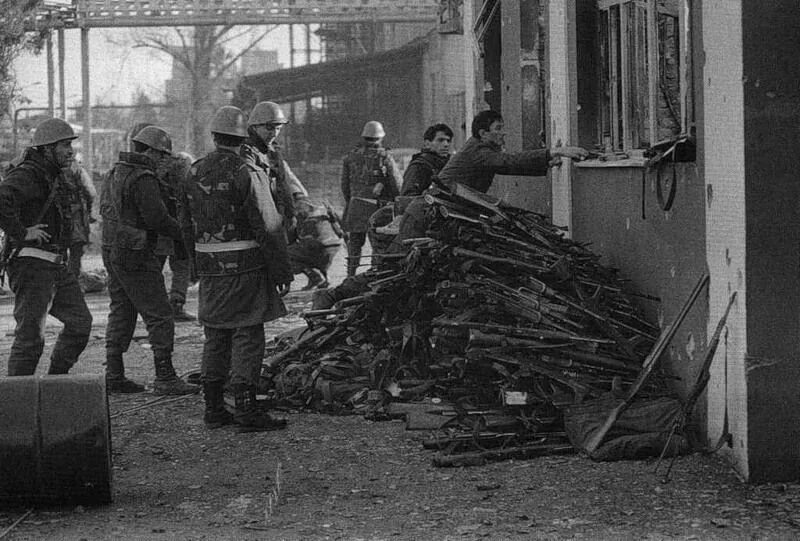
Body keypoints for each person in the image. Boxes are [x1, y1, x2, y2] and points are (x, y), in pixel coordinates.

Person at [185, 106, 292, 432]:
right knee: (248, 334)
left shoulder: (193, 171)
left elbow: (184, 224)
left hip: (210, 269)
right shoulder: (247, 170)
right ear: (243, 134)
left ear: (215, 136)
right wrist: (282, 271)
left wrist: (194, 267)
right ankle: (247, 410)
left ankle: (214, 409)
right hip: (245, 267)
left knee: (216, 334)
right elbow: (268, 225)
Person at [100, 125, 198, 395]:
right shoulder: (144, 178)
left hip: (114, 251)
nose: (165, 160)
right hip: (138, 254)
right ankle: (165, 377)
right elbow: (157, 219)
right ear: (151, 151)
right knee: (160, 314)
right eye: (163, 155)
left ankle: (114, 374)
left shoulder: (114, 172)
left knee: (122, 310)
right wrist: (185, 233)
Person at [0, 117, 93, 376]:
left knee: (80, 323)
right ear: (46, 148)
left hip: (54, 265)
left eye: (70, 145)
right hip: (31, 266)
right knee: (30, 340)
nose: (70, 151)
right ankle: (17, 409)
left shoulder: (50, 174)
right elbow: (2, 199)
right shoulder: (29, 173)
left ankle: (54, 382)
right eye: (63, 145)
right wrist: (22, 232)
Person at [436, 109, 588, 192]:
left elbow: (508, 167)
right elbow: (508, 161)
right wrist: (554, 152)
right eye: (498, 129)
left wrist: (546, 163)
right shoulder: (478, 150)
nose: (504, 133)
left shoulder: (478, 147)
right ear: (484, 133)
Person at [340, 120, 402, 276]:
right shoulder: (385, 157)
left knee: (354, 243)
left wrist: (351, 201)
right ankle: (375, 275)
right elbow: (397, 184)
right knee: (378, 245)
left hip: (355, 206)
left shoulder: (350, 157)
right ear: (381, 137)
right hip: (377, 209)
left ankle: (350, 274)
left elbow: (344, 186)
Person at [241, 101, 308, 242]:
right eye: (269, 128)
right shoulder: (246, 153)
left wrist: (298, 201)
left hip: (277, 218)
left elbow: (286, 180)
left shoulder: (272, 151)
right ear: (254, 126)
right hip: (258, 223)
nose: (274, 133)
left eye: (278, 128)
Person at [287, 197, 344, 289]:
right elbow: (341, 229)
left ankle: (315, 277)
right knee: (308, 251)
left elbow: (295, 236)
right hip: (335, 244)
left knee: (287, 254)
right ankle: (323, 278)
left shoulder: (300, 213)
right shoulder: (323, 208)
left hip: (320, 246)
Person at [64, 157, 97, 279]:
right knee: (75, 251)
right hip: (76, 218)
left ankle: (57, 284)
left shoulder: (49, 169)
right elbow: (91, 192)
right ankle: (72, 282)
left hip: (56, 219)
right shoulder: (78, 170)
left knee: (58, 252)